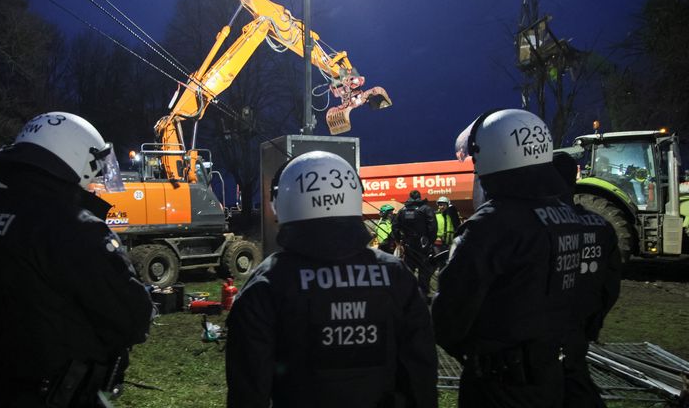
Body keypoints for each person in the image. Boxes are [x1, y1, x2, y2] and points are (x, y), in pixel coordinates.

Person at [0, 112, 154, 407]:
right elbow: (133, 318)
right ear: (77, 158)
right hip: (64, 393)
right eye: (95, 169)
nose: (95, 181)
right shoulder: (72, 227)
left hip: (4, 389)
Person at [432, 109, 617, 408]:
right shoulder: (596, 225)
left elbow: (449, 322)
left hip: (504, 387)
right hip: (572, 378)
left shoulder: (490, 228)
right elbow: (603, 298)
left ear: (491, 155)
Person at [225, 151, 438, 408]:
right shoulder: (396, 275)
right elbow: (421, 375)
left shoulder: (267, 284)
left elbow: (248, 391)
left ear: (281, 203)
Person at [553, 152, 622, 408]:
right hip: (578, 334)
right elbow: (611, 284)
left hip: (538, 346)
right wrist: (592, 323)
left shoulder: (537, 225)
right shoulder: (601, 226)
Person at [392, 189, 437, 298]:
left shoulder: (402, 211)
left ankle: (408, 295)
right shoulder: (426, 209)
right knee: (424, 270)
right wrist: (430, 241)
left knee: (408, 270)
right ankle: (424, 295)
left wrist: (399, 241)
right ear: (420, 197)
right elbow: (433, 227)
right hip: (423, 244)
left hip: (408, 245)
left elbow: (395, 227)